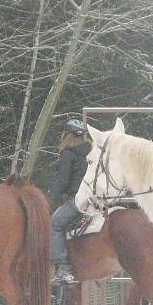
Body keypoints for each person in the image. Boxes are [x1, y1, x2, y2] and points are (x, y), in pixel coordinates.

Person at [49, 119, 91, 283]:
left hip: (78, 201)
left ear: (67, 135)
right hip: (95, 200)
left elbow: (63, 181)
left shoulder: (68, 153)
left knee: (54, 224)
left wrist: (52, 200)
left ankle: (64, 268)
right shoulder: (92, 152)